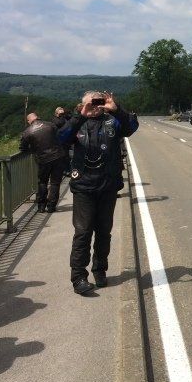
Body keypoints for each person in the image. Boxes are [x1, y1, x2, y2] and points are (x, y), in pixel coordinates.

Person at [57, 91, 137, 295]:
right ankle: (78, 277)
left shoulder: (112, 121)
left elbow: (131, 128)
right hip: (83, 186)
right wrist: (81, 116)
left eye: (97, 103)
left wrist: (116, 109)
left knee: (104, 232)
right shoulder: (76, 122)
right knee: (83, 232)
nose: (94, 107)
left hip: (107, 186)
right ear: (81, 105)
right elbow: (61, 139)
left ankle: (100, 270)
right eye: (89, 104)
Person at [19, 112, 68, 214]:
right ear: (37, 117)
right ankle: (51, 207)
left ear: (29, 121)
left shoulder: (27, 132)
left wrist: (33, 148)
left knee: (42, 182)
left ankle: (41, 206)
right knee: (55, 182)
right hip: (58, 156)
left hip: (43, 159)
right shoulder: (50, 125)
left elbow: (22, 148)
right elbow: (59, 136)